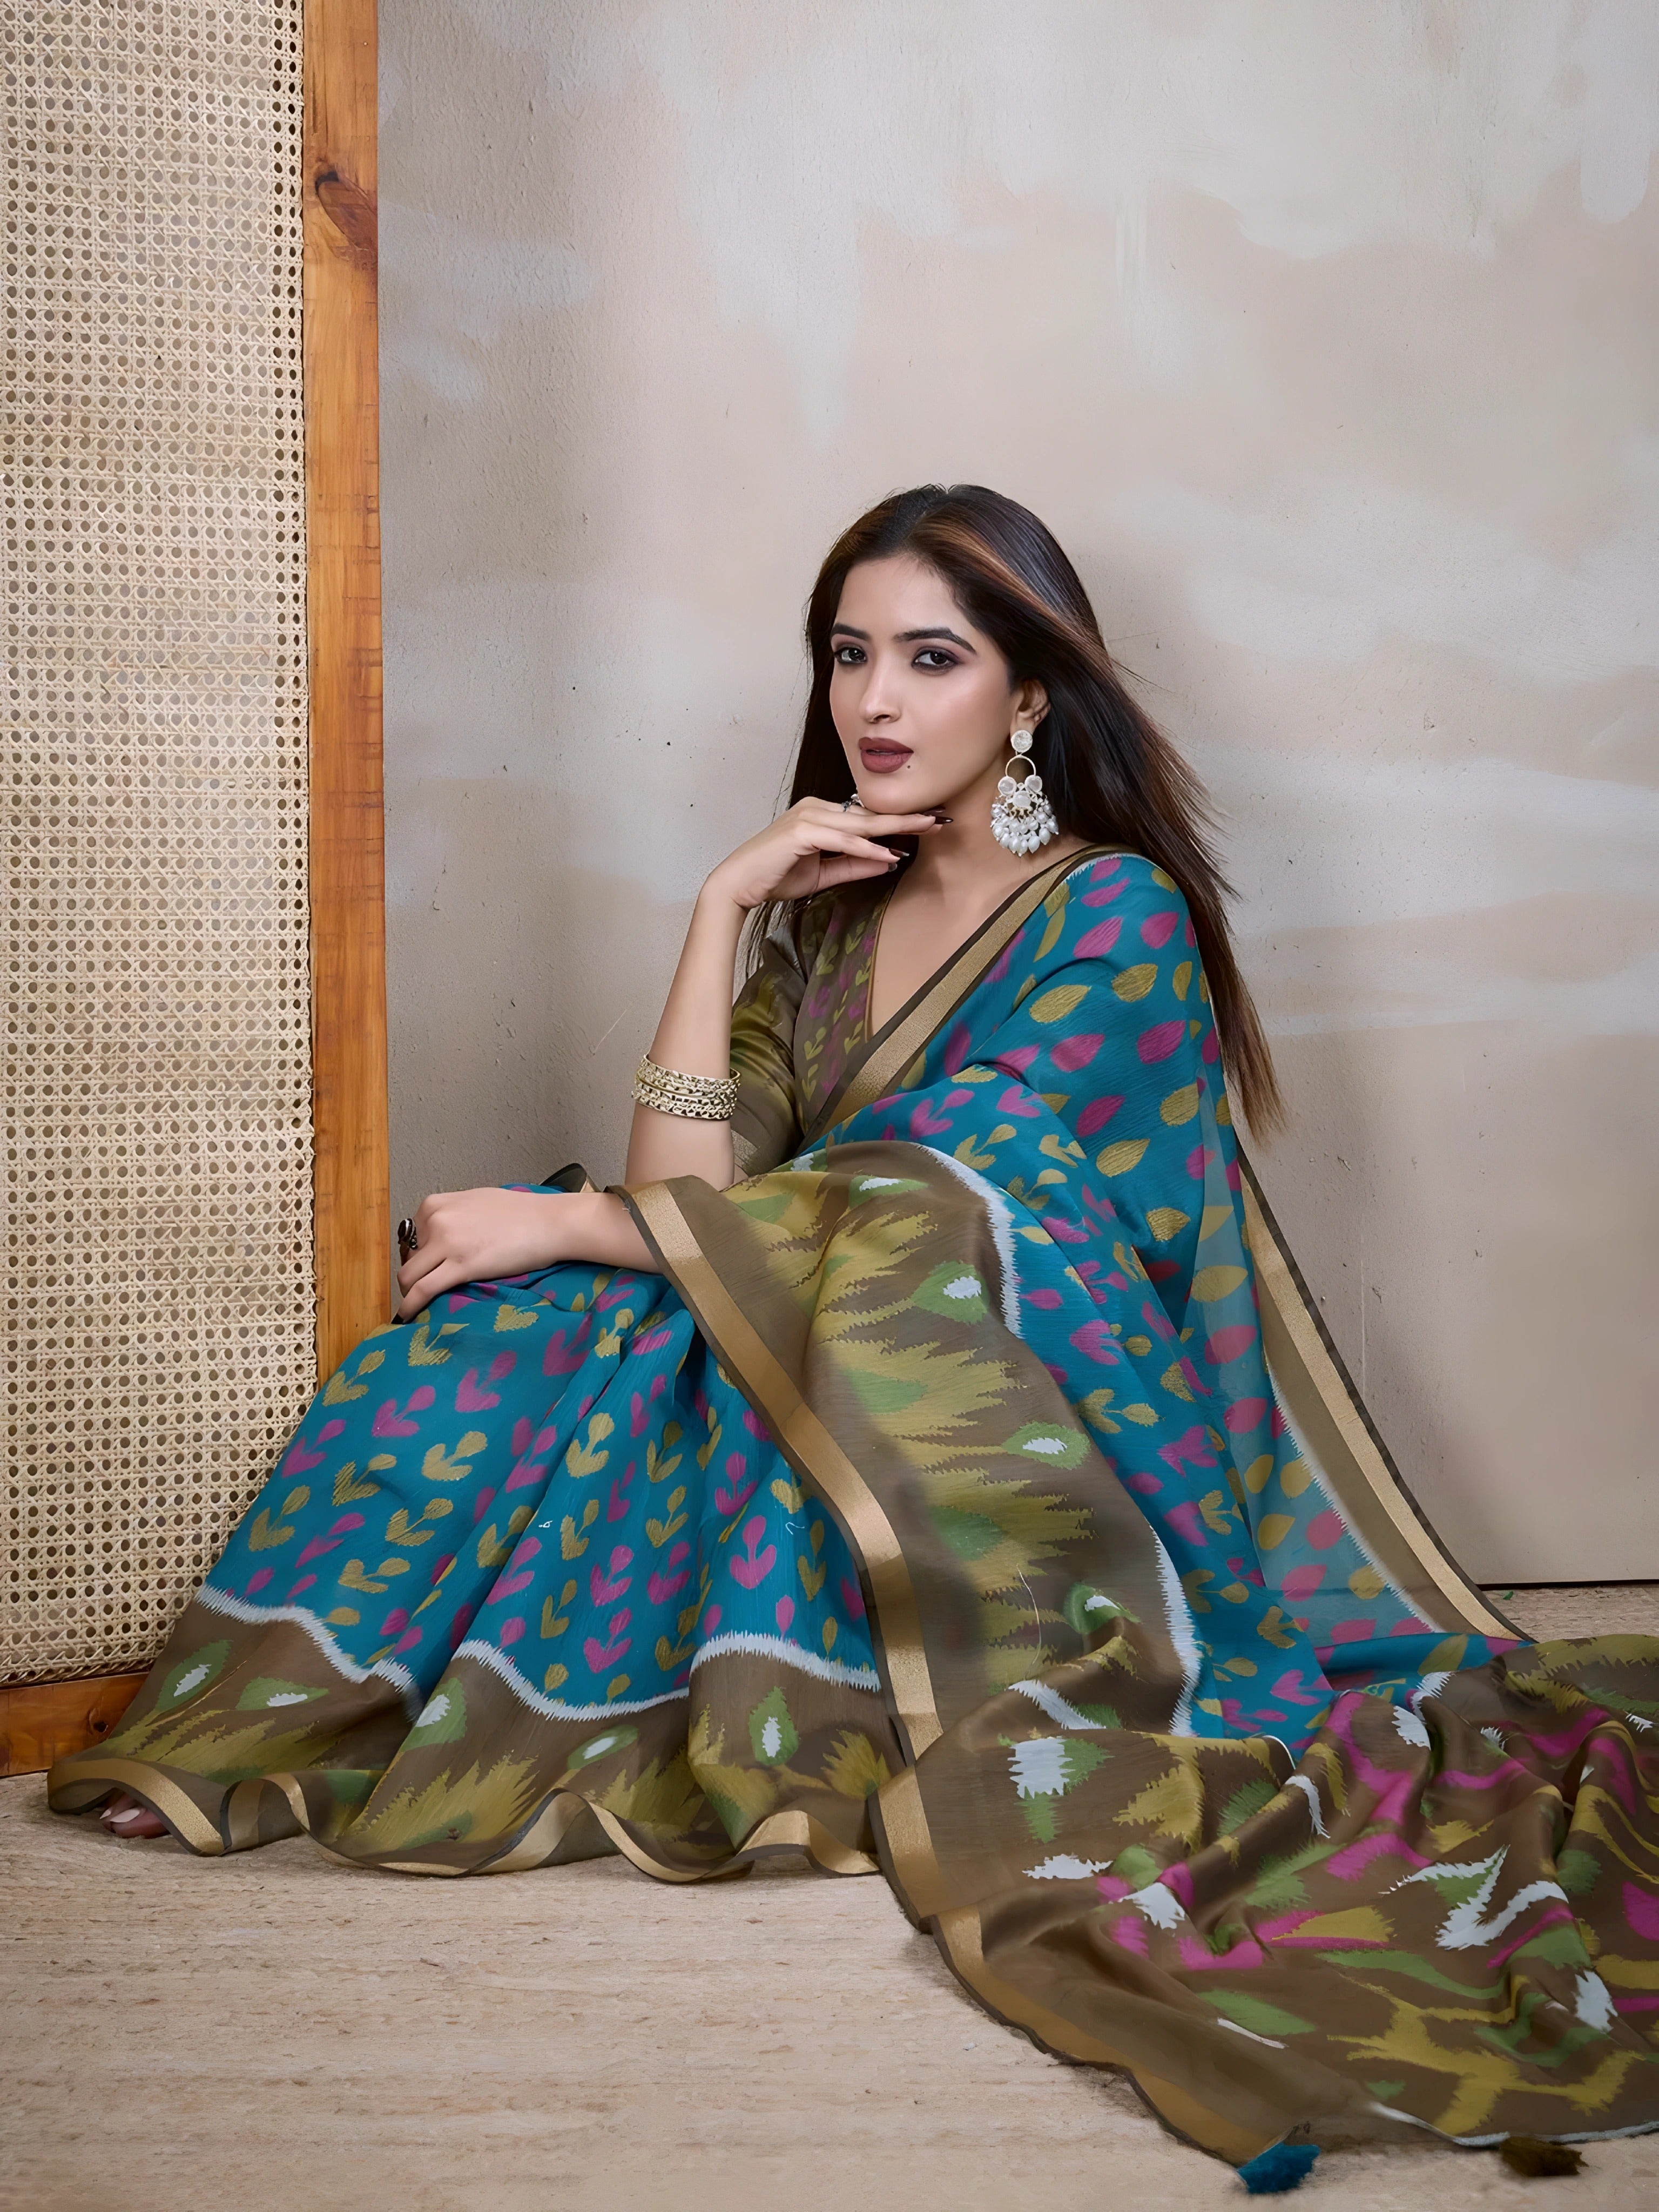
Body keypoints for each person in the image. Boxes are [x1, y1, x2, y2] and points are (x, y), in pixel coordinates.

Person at [53, 487, 1659, 2170]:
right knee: (507, 1328)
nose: (876, 703)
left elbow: (978, 1202)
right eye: (848, 656)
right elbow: (690, 1188)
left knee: (735, 1236)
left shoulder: (1114, 916)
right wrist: (719, 914)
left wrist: (591, 1222)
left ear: (1029, 695)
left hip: (1031, 1428)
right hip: (821, 1354)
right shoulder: (820, 921)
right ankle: (316, 1696)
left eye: (932, 658)